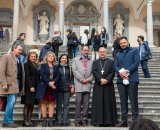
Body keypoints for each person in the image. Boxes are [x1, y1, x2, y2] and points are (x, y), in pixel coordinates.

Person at [114, 36, 140, 127]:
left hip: (132, 79)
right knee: (123, 101)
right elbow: (115, 65)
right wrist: (120, 72)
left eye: (124, 43)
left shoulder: (134, 51)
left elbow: (137, 62)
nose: (122, 44)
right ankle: (124, 121)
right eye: (121, 43)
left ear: (127, 42)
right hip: (121, 80)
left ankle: (135, 121)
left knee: (133, 100)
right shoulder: (117, 54)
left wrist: (127, 71)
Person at [0, 43, 24, 128]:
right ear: (14, 48)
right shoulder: (6, 56)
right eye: (19, 49)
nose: (20, 51)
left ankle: (6, 121)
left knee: (11, 103)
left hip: (17, 85)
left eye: (21, 50)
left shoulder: (19, 59)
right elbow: (1, 70)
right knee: (11, 103)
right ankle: (8, 121)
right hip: (9, 84)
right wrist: (3, 82)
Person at [91, 47, 117, 126]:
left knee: (108, 102)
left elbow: (112, 72)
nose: (102, 53)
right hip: (98, 85)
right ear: (99, 53)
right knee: (98, 102)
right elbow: (94, 71)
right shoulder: (95, 62)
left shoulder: (111, 62)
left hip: (108, 85)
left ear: (106, 52)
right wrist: (100, 79)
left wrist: (106, 80)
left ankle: (109, 121)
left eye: (103, 52)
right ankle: (98, 121)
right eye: (101, 52)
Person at [36, 51, 59, 127]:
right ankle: (44, 120)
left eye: (52, 56)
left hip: (53, 87)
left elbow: (58, 76)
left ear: (54, 58)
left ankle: (50, 120)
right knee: (43, 103)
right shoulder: (43, 65)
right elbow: (42, 75)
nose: (51, 57)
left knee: (52, 103)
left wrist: (53, 82)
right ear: (46, 57)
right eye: (49, 56)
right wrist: (49, 83)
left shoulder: (56, 66)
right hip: (44, 86)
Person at [72, 45, 93, 126]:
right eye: (85, 50)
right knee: (78, 102)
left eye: (87, 50)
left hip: (87, 84)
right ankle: (77, 120)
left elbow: (93, 72)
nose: (86, 52)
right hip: (79, 84)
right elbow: (74, 70)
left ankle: (84, 120)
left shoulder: (92, 60)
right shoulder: (75, 59)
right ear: (81, 51)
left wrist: (88, 79)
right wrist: (81, 79)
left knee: (86, 103)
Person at [21, 51, 39, 126]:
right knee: (27, 104)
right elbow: (27, 76)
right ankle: (25, 121)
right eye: (32, 56)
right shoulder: (26, 64)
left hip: (35, 87)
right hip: (29, 87)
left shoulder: (36, 65)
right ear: (29, 57)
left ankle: (29, 120)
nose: (33, 58)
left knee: (32, 104)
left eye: (34, 56)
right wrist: (31, 86)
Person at [56, 54, 74, 126]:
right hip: (59, 88)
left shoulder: (69, 68)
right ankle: (59, 120)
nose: (64, 59)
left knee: (66, 105)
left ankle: (66, 120)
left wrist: (72, 86)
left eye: (65, 58)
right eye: (63, 58)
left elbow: (72, 78)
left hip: (67, 89)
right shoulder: (57, 67)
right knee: (59, 105)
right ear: (60, 59)